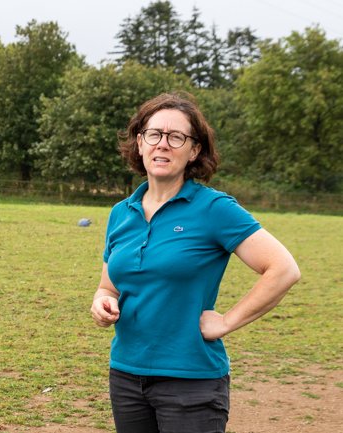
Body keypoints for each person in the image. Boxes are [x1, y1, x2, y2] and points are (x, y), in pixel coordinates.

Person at [90, 92, 300, 433]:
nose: (163, 144)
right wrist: (103, 302)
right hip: (126, 376)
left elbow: (284, 269)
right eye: (154, 134)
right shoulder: (120, 213)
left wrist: (226, 322)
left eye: (176, 137)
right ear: (140, 143)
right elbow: (107, 286)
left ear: (194, 150)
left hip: (191, 382)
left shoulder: (214, 208)